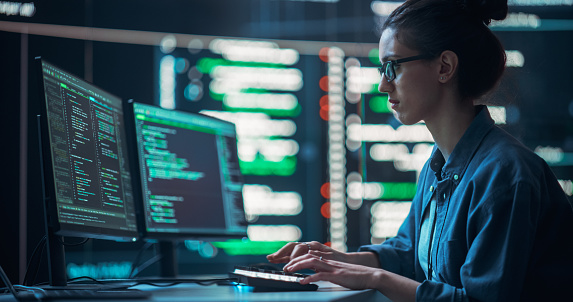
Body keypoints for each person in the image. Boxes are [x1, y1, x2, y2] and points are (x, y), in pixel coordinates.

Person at [266, 0, 573, 301]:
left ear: (444, 67)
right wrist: (336, 259)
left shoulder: (505, 174)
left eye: (392, 66)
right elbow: (409, 251)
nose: (383, 86)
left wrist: (376, 278)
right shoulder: (439, 166)